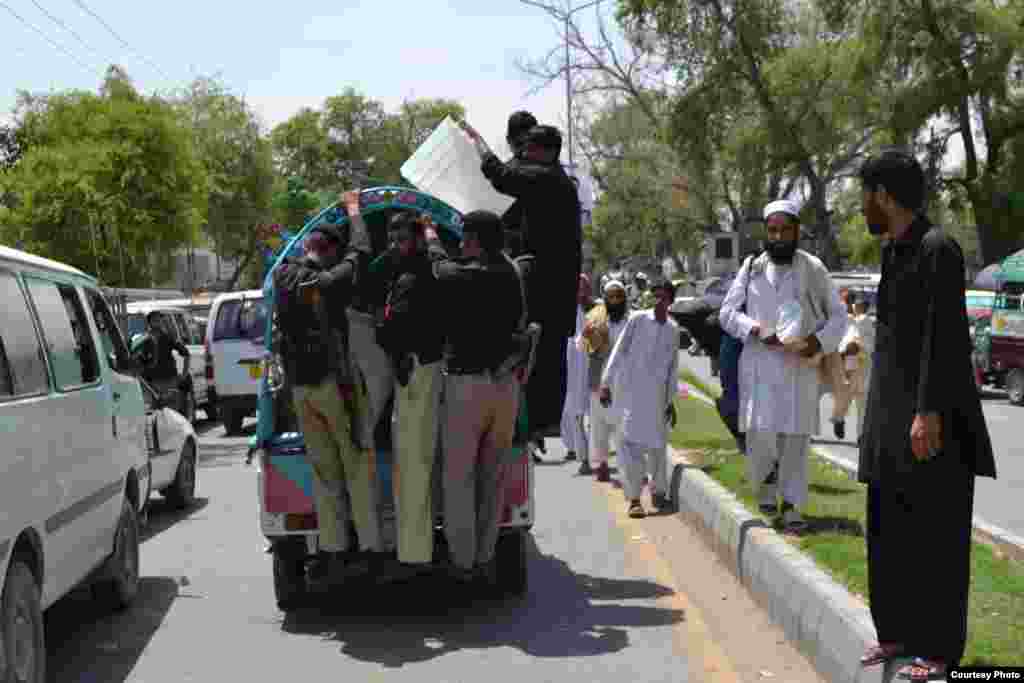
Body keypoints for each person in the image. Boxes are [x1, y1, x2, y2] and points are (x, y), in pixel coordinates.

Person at [856, 150, 995, 680]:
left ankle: (939, 651)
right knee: (890, 533)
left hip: (933, 426)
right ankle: (895, 635)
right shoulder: (893, 252)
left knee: (937, 540)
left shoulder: (939, 249)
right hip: (891, 425)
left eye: (865, 195)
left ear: (884, 196)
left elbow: (945, 340)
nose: (861, 206)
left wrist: (927, 411)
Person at [719, 199, 848, 533]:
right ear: (766, 232)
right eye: (772, 230)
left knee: (795, 439)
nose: (778, 237)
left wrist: (816, 343)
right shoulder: (752, 268)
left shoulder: (813, 268)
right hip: (760, 367)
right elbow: (727, 313)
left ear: (796, 232)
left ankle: (792, 507)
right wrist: (754, 329)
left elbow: (838, 316)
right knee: (760, 436)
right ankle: (766, 492)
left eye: (785, 230)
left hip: (798, 367)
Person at [272, 190, 379, 585]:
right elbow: (362, 251)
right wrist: (354, 211)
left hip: (302, 390)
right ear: (329, 250)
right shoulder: (330, 279)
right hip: (337, 388)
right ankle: (368, 547)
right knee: (356, 466)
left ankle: (333, 550)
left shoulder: (283, 277)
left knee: (324, 472)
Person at [459, 119, 582, 449]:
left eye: (528, 150)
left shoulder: (546, 179)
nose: (523, 155)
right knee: (546, 351)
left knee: (534, 348)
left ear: (545, 151)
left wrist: (478, 144)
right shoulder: (554, 181)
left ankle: (536, 420)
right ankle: (540, 420)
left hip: (546, 281)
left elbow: (502, 177)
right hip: (556, 282)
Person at [424, 210, 525, 584]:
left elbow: (440, 269)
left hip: (468, 389)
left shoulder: (472, 274)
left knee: (458, 478)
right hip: (505, 388)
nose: (463, 242)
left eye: (467, 237)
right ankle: (484, 556)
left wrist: (433, 237)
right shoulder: (510, 273)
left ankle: (463, 562)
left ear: (479, 240)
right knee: (493, 477)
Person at [375, 211, 446, 567]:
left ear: (418, 240)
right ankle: (416, 548)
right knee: (418, 462)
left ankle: (415, 553)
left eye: (401, 239)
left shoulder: (415, 277)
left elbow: (393, 328)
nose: (395, 246)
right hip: (423, 370)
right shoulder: (421, 269)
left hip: (416, 371)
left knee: (413, 464)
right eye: (391, 239)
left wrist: (382, 332)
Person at [599, 279, 680, 518]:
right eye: (654, 295)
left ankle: (659, 492)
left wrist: (670, 401)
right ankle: (634, 499)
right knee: (631, 446)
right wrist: (606, 382)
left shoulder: (673, 330)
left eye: (663, 296)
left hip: (657, 400)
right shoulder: (638, 320)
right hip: (631, 395)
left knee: (657, 448)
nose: (658, 300)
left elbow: (673, 369)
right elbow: (619, 350)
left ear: (670, 301)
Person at [578, 279, 630, 481]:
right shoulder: (594, 318)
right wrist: (585, 336)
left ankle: (626, 464)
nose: (615, 300)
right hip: (598, 378)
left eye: (619, 296)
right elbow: (580, 346)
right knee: (598, 425)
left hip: (623, 380)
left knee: (621, 423)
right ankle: (602, 463)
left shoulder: (632, 321)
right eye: (611, 296)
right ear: (605, 298)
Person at [559, 274, 594, 465]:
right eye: (577, 287)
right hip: (570, 364)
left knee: (589, 410)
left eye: (583, 287)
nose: (580, 291)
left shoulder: (595, 309)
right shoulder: (566, 309)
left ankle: (589, 450)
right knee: (569, 409)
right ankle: (573, 447)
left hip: (589, 364)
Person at [138, 311, 190, 414]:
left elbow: (186, 354)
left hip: (168, 380)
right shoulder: (143, 339)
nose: (158, 322)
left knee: (171, 412)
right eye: (155, 320)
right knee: (154, 413)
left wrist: (184, 374)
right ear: (149, 323)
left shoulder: (168, 337)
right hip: (150, 382)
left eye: (159, 320)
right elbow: (139, 359)